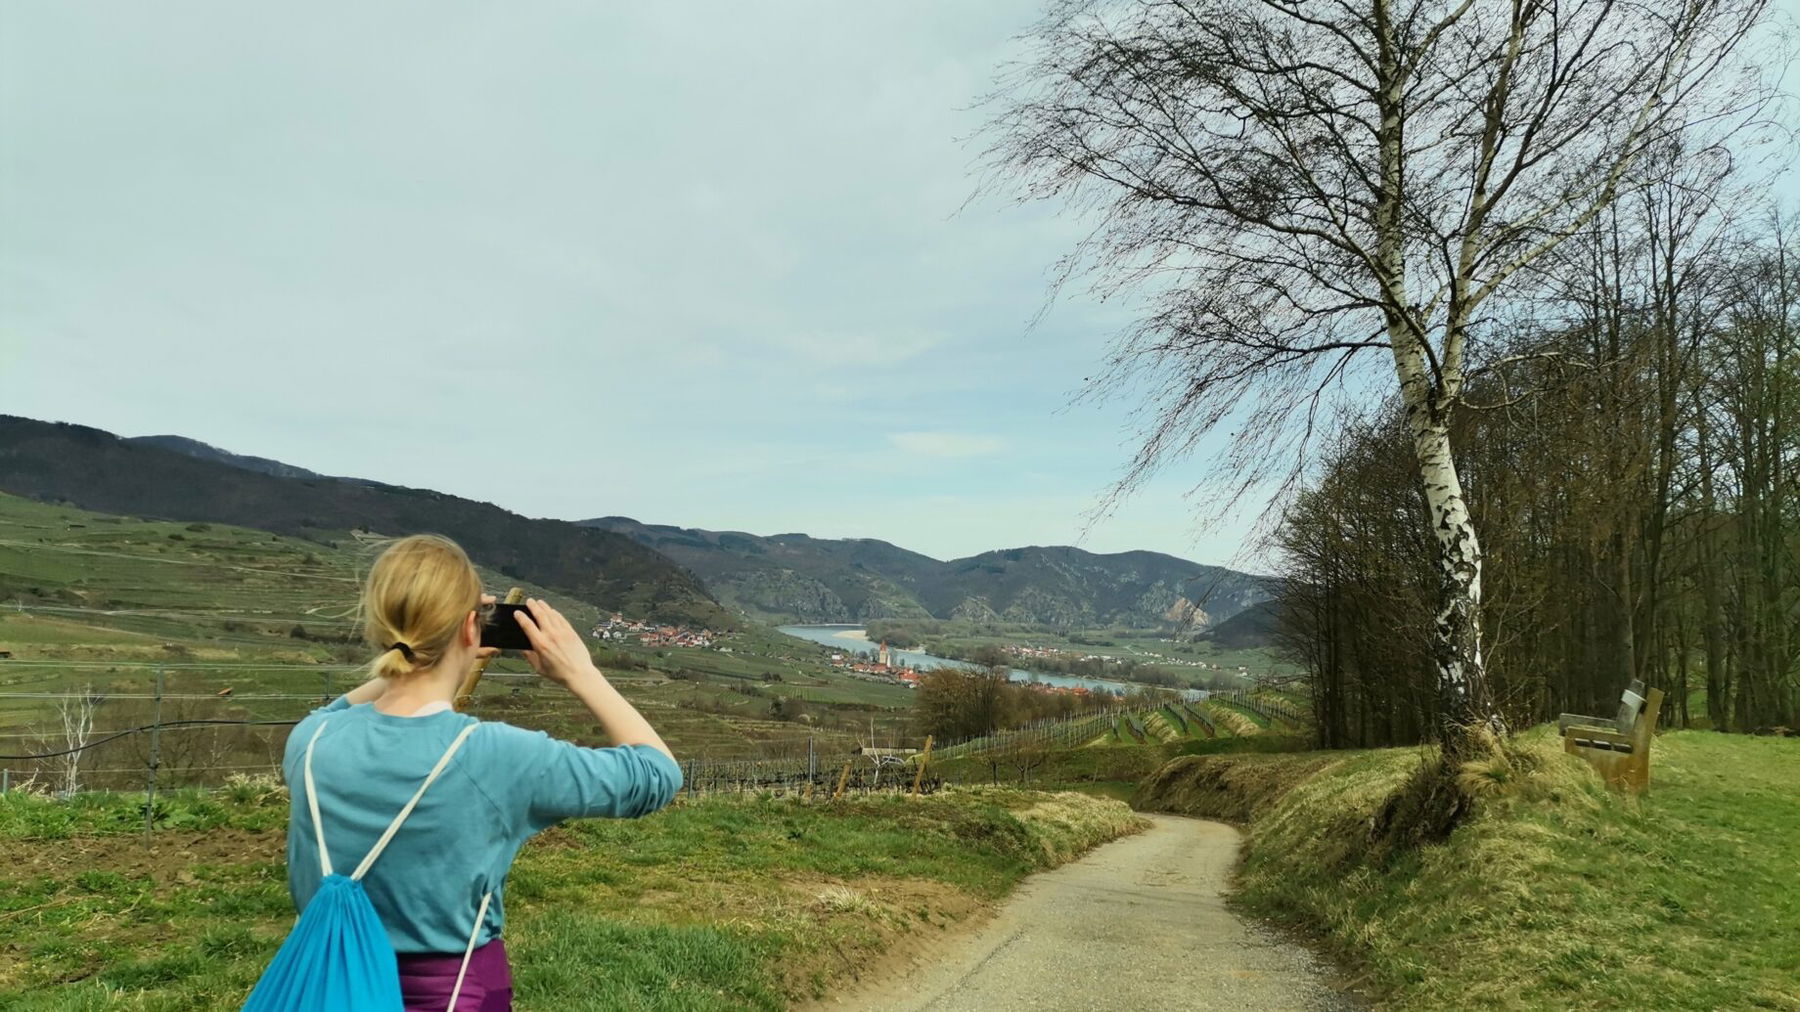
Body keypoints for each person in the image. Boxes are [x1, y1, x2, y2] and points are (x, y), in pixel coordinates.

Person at [280, 534, 681, 1011]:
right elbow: (657, 775)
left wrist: (433, 648)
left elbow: (335, 711)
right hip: (450, 993)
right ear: (474, 629)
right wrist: (581, 673)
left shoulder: (310, 742)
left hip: (327, 985)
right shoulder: (495, 755)